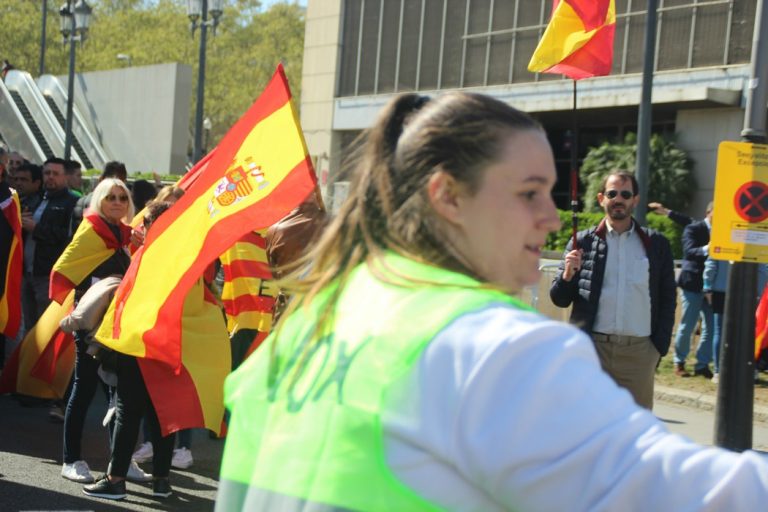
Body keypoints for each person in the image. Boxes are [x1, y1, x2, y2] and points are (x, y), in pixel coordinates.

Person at [216, 92, 768, 511]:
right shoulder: (495, 346)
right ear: (449, 196)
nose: (551, 219)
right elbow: (701, 496)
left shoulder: (306, 327)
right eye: (528, 193)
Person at [550, 171, 676, 409]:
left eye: (625, 194)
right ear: (601, 199)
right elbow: (559, 299)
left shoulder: (656, 244)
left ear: (635, 200)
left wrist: (657, 348)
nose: (619, 199)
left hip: (639, 353)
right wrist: (567, 275)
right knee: (588, 427)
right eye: (612, 193)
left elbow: (668, 297)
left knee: (635, 430)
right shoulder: (582, 242)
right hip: (593, 350)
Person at [53, 178, 150, 485]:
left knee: (118, 396)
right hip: (93, 325)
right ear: (99, 200)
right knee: (84, 390)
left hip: (117, 324)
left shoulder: (124, 235)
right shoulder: (92, 230)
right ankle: (71, 459)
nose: (118, 202)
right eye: (111, 197)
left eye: (123, 197)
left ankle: (119, 462)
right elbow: (62, 271)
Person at [83, 201, 178, 501]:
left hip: (139, 341)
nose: (140, 226)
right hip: (170, 344)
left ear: (154, 225)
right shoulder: (184, 253)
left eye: (146, 221)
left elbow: (136, 296)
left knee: (128, 410)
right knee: (162, 414)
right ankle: (161, 481)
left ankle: (116, 480)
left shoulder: (151, 255)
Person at [21, 157, 78, 331]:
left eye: (55, 173)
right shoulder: (34, 199)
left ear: (65, 177)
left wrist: (36, 228)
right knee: (28, 326)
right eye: (47, 173)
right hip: (26, 273)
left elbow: (69, 237)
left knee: (44, 329)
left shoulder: (72, 203)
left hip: (48, 276)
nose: (50, 177)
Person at [673, 202, 715, 378]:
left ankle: (702, 364)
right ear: (709, 212)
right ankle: (679, 362)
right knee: (688, 324)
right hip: (692, 283)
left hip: (713, 287)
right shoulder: (693, 228)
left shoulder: (724, 231)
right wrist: (709, 248)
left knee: (711, 327)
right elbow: (689, 252)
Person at [72, 161, 128, 231]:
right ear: (101, 179)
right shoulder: (95, 203)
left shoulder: (81, 201)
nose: (118, 186)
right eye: (114, 182)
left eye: (122, 182)